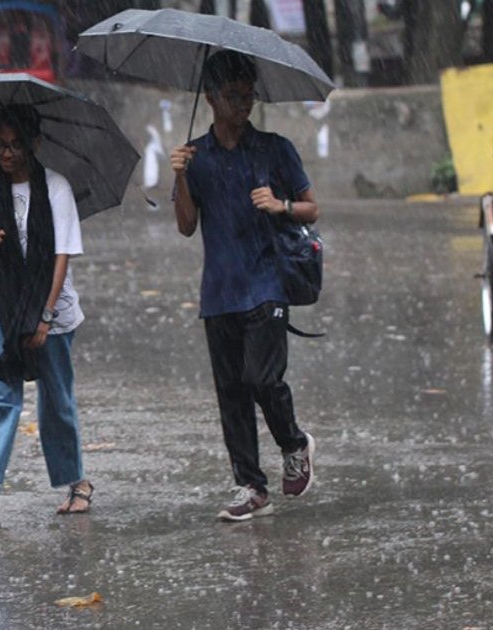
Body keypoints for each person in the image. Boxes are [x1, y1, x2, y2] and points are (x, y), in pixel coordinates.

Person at [169, 50, 317, 523]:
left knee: (261, 377)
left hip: (267, 282)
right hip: (220, 291)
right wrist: (179, 176)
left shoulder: (275, 149)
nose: (243, 105)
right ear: (210, 98)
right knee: (231, 392)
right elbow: (187, 226)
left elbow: (313, 208)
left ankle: (293, 443)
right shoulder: (196, 158)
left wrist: (281, 205)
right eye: (233, 96)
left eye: (248, 95)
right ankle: (251, 486)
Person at [0, 105, 93, 530]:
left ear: (34, 144)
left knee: (55, 399)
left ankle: (77, 482)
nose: (7, 154)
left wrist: (46, 317)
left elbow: (62, 255)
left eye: (15, 145)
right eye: (0, 145)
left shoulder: (55, 188)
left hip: (49, 306)